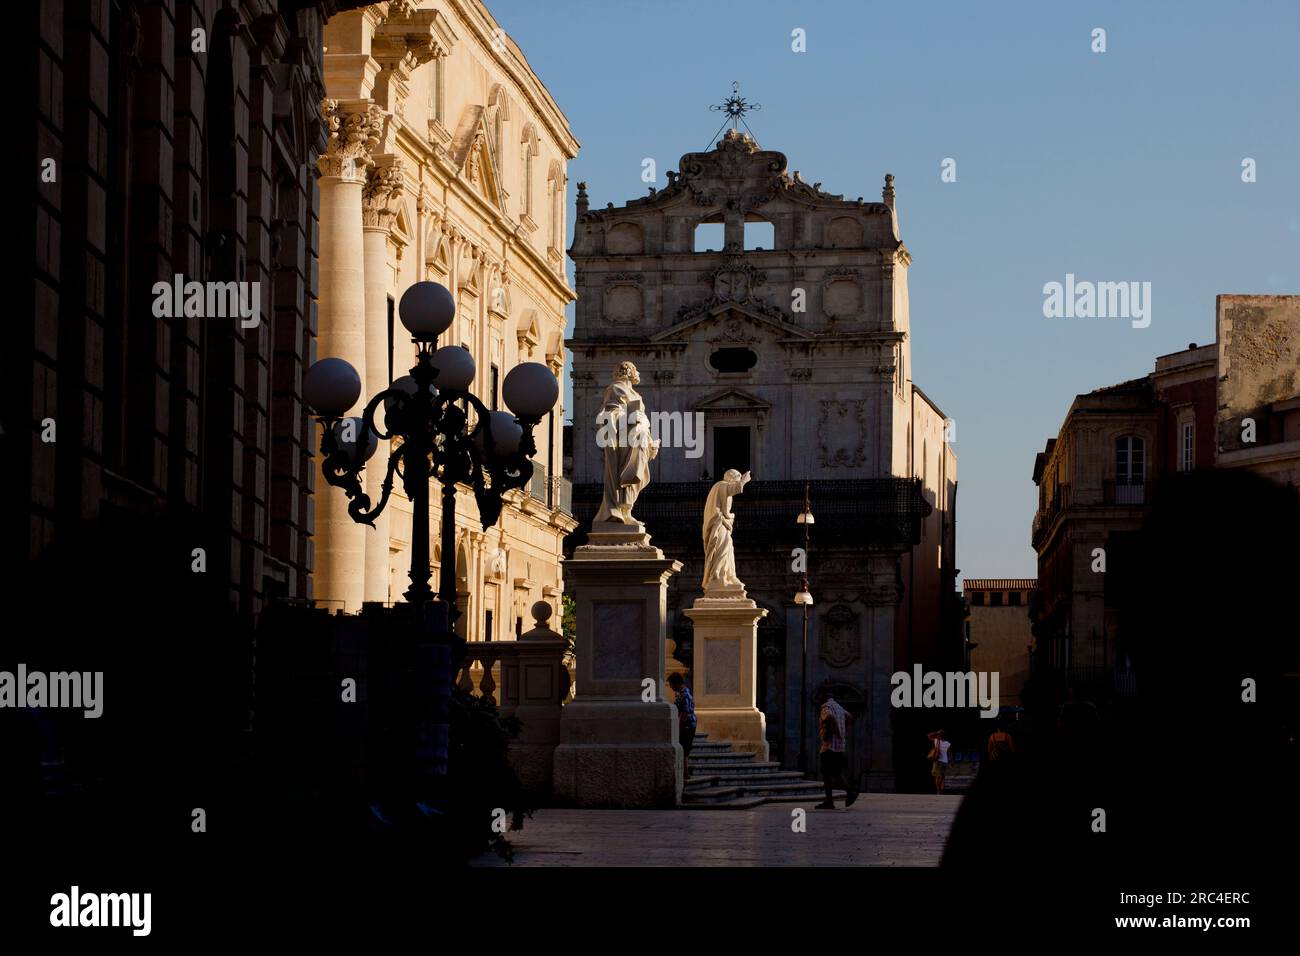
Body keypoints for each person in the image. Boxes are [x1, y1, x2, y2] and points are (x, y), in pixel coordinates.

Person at [814, 688, 858, 809]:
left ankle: (833, 799)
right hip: (839, 746)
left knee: (827, 773)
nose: (817, 701)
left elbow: (828, 717)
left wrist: (834, 731)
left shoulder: (826, 707)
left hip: (829, 746)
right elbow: (849, 716)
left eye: (819, 698)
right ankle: (843, 795)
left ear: (823, 697)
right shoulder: (838, 707)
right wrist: (843, 732)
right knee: (836, 772)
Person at [667, 673, 696, 778]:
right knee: (684, 749)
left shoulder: (684, 694)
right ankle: (685, 772)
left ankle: (685, 772)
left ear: (677, 683)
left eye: (671, 684)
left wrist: (678, 727)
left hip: (687, 726)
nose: (670, 687)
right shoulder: (682, 693)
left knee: (684, 748)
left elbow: (685, 713)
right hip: (688, 725)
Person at [927, 729, 951, 794]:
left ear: (939, 735)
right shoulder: (948, 743)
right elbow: (949, 753)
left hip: (937, 761)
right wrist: (951, 761)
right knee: (942, 776)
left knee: (937, 776)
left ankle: (938, 791)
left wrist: (935, 732)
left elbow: (928, 735)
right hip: (945, 761)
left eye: (938, 734)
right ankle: (941, 787)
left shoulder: (936, 741)